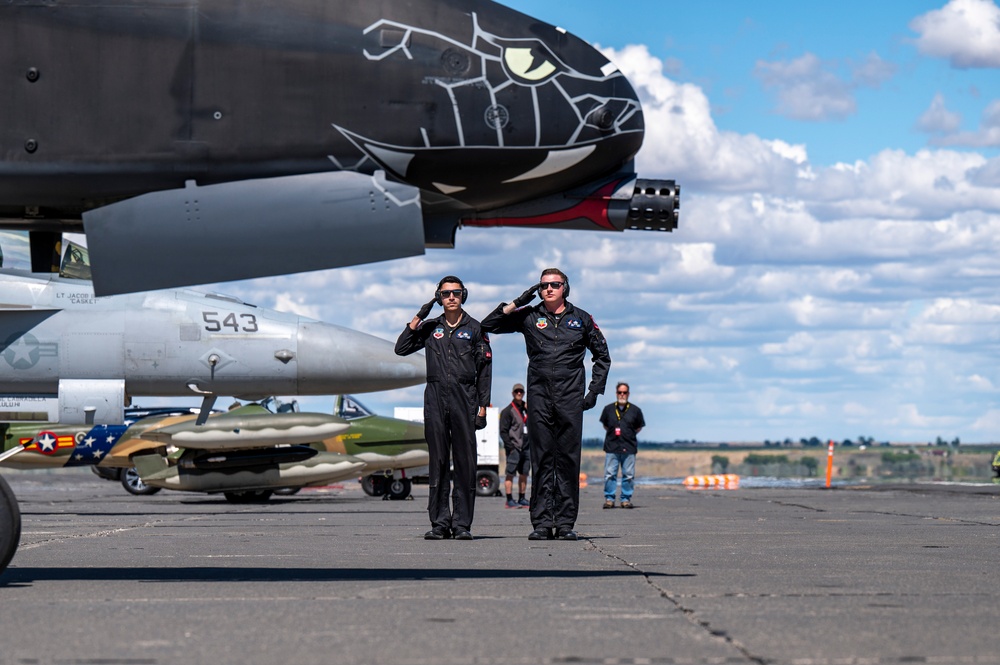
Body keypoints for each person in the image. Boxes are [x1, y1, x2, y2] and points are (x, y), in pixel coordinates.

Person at [482, 268, 610, 540]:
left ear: (565, 287)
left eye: (554, 284)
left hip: (570, 398)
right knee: (541, 460)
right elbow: (488, 324)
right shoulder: (529, 316)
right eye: (543, 286)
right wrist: (519, 301)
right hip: (539, 398)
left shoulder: (582, 319)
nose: (548, 289)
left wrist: (594, 392)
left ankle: (564, 524)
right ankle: (541, 523)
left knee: (567, 461)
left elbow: (602, 357)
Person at [395, 276, 492, 541]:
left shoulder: (475, 328)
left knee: (464, 463)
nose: (451, 297)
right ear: (439, 297)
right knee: (437, 461)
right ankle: (439, 523)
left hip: (465, 397)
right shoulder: (430, 328)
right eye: (446, 293)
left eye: (456, 293)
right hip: (435, 398)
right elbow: (401, 348)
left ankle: (461, 524)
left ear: (464, 295)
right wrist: (420, 315)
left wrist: (482, 407)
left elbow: (485, 370)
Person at [599, 382, 645, 509]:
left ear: (628, 394)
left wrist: (628, 434)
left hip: (629, 447)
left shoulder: (636, 410)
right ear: (616, 393)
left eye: (625, 392)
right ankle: (609, 499)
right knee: (609, 474)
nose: (622, 395)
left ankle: (625, 499)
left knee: (628, 475)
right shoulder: (608, 409)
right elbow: (605, 425)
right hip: (612, 446)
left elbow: (639, 427)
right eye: (620, 392)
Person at [499, 383, 529, 509]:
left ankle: (522, 498)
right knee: (510, 473)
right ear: (513, 393)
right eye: (516, 391)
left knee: (524, 473)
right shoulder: (507, 411)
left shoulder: (527, 409)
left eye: (521, 392)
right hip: (514, 447)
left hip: (527, 447)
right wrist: (510, 447)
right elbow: (503, 431)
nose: (519, 394)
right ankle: (509, 499)